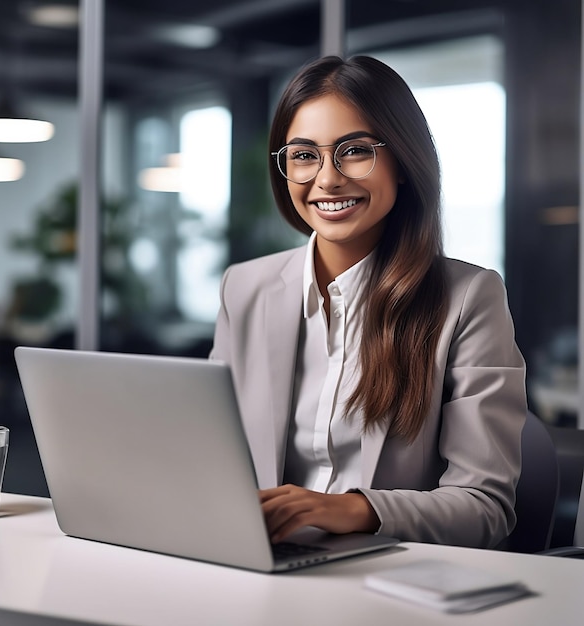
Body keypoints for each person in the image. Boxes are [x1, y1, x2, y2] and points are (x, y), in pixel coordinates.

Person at [210, 55, 527, 549]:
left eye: (354, 151)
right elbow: (211, 459)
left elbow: (484, 507)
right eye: (303, 155)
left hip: (390, 574)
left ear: (403, 162)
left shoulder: (468, 299)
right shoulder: (244, 288)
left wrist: (348, 510)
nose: (328, 179)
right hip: (258, 562)